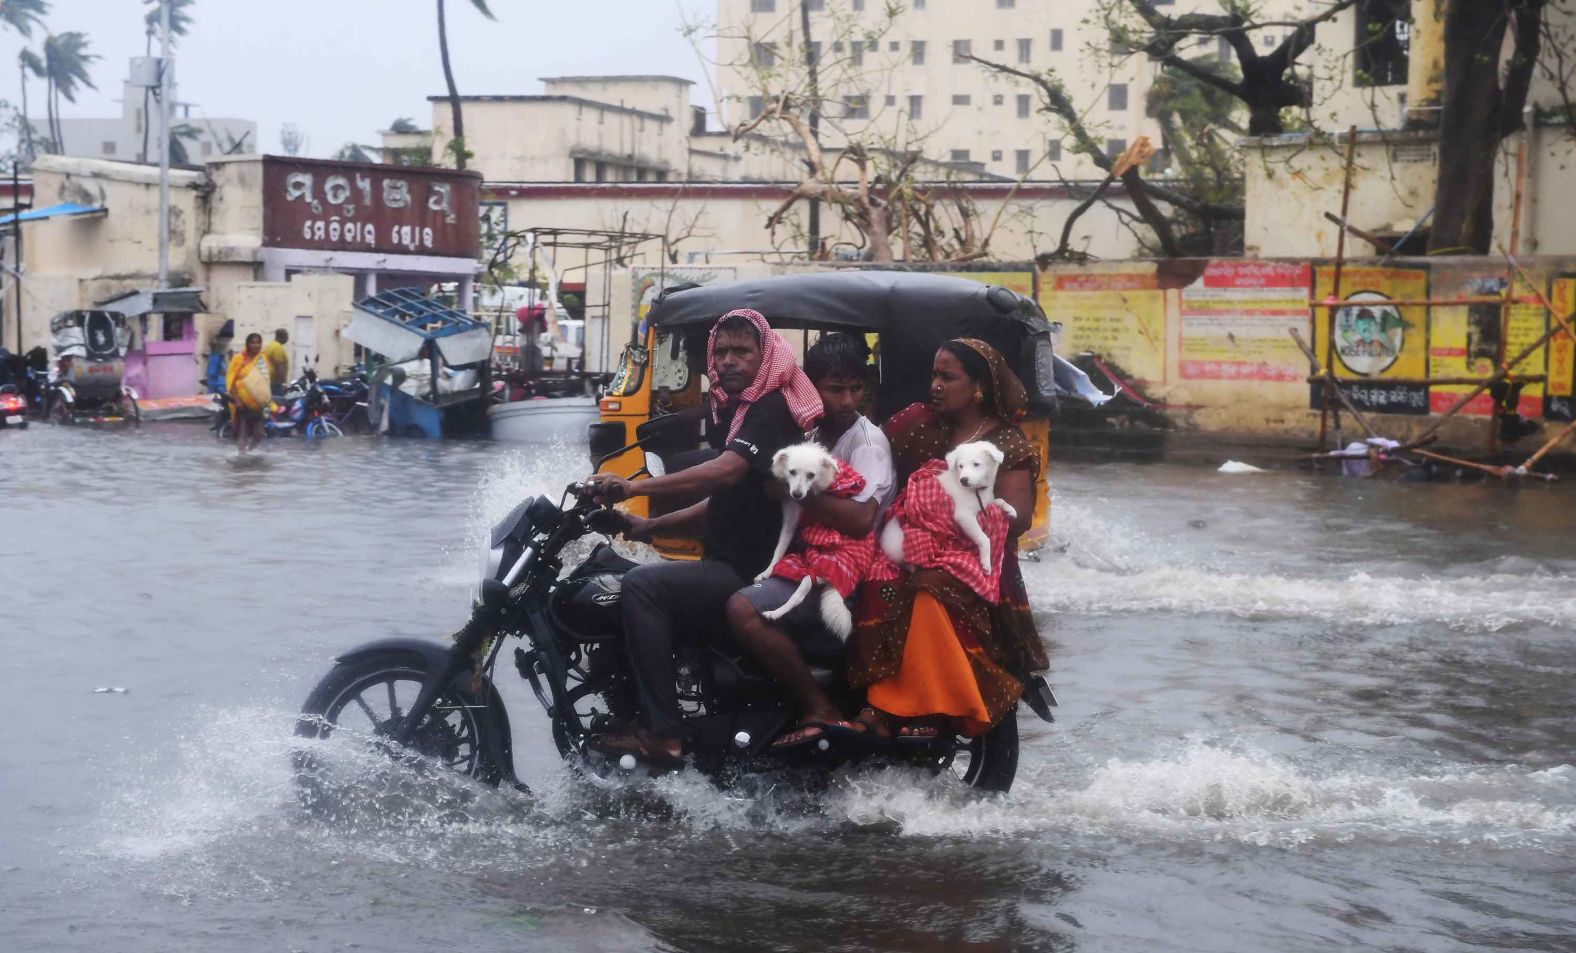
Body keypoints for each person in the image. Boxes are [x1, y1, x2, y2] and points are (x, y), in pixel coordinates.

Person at [585, 308, 823, 766]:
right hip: (731, 560)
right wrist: (650, 527)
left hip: (750, 572)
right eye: (722, 351)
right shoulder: (733, 409)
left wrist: (633, 487)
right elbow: (728, 499)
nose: (730, 361)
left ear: (765, 355)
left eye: (742, 352)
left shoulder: (770, 407)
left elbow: (724, 472)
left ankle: (664, 733)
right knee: (622, 577)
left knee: (642, 587)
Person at [846, 339, 1049, 740]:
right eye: (934, 375)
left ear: (978, 386)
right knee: (874, 575)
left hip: (976, 553)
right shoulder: (917, 424)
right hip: (911, 541)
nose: (935, 385)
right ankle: (872, 700)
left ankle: (917, 704)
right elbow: (872, 453)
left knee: (928, 588)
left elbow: (1018, 517)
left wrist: (948, 523)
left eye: (948, 377)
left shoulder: (1004, 443)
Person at [724, 332, 896, 747]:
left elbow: (859, 521)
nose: (849, 401)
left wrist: (790, 490)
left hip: (849, 564)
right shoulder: (810, 432)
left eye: (856, 389)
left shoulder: (866, 443)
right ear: (811, 388)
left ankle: (818, 705)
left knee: (741, 609)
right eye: (836, 390)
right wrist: (653, 523)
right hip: (809, 555)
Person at [226, 333, 271, 453]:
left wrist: (267, 401)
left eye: (258, 342)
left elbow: (265, 381)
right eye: (253, 342)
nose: (256, 345)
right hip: (243, 403)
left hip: (259, 403)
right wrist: (237, 400)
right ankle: (241, 457)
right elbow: (232, 381)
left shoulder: (263, 359)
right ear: (247, 345)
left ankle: (250, 454)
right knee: (243, 431)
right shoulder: (239, 359)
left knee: (259, 434)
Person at [263, 328, 290, 397]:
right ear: (282, 336)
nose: (287, 339)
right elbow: (279, 367)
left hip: (268, 380)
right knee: (278, 403)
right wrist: (283, 383)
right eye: (287, 337)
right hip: (275, 382)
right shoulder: (278, 348)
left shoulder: (270, 345)